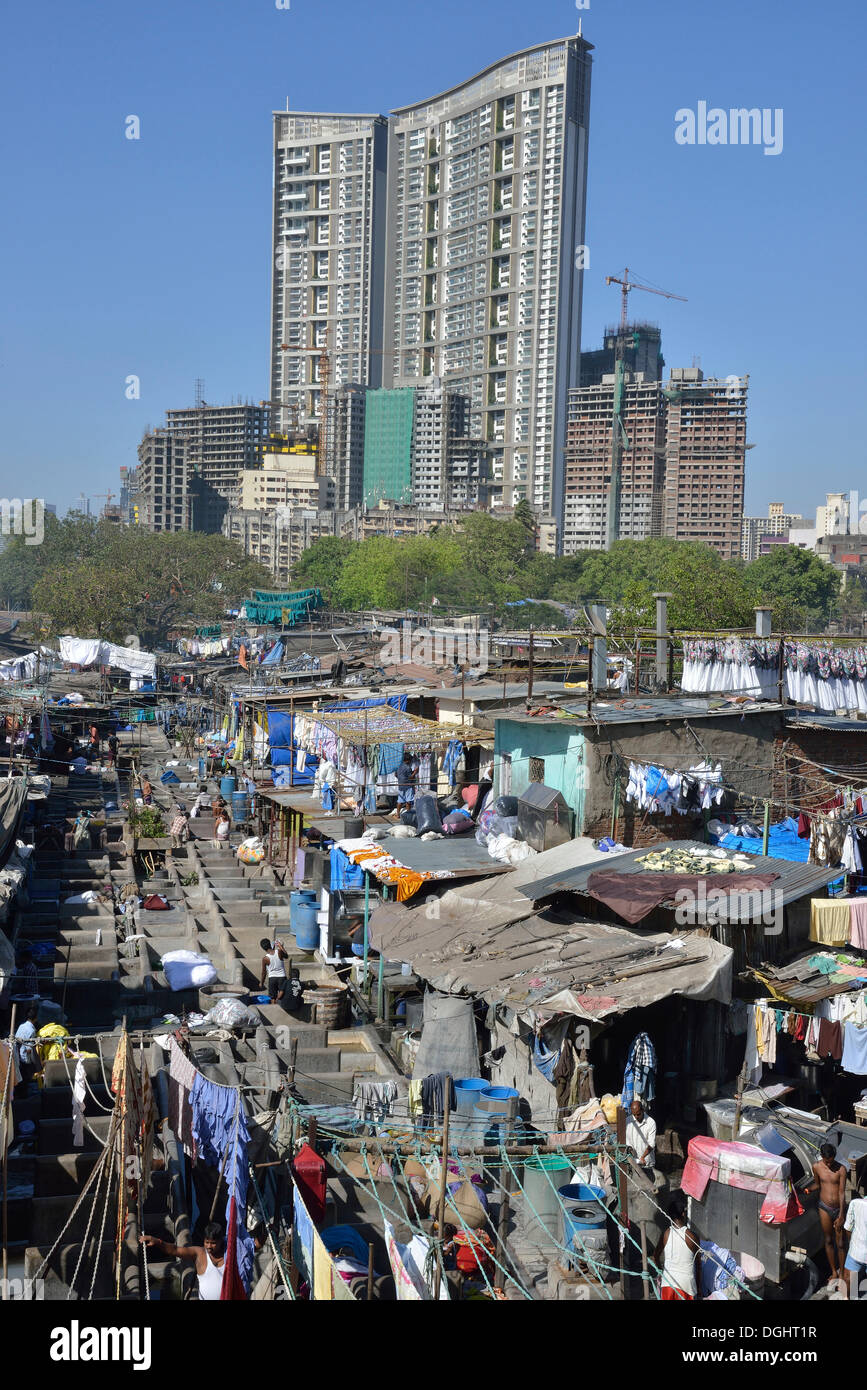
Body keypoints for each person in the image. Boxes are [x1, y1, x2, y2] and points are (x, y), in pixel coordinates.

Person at [141, 1223, 226, 1301]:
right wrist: (157, 1241)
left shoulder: (231, 1254)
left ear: (221, 1241)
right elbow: (175, 1250)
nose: (209, 1246)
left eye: (213, 1243)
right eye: (207, 1242)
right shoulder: (200, 1254)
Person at [807, 1142, 847, 1283]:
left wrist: (842, 1215)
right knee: (828, 1240)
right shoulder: (817, 1167)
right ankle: (833, 1272)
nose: (829, 1165)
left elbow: (842, 1192)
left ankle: (842, 1274)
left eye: (831, 1162)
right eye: (826, 1162)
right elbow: (818, 1184)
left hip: (838, 1209)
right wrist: (809, 1189)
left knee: (840, 1243)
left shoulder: (841, 1169)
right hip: (824, 1207)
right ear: (822, 1157)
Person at [655, 1191, 699, 1300]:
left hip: (668, 1283)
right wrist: (699, 1287)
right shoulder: (692, 1236)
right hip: (686, 1286)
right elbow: (698, 1264)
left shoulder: (665, 1234)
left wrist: (660, 1271)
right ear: (683, 1214)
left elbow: (655, 1256)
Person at [624, 1098, 657, 1175]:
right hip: (633, 1161)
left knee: (649, 1183)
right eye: (634, 1114)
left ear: (642, 1110)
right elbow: (627, 1141)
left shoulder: (651, 1122)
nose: (636, 1116)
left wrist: (643, 1157)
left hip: (647, 1162)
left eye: (638, 1114)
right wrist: (631, 1154)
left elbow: (651, 1144)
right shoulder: (627, 1121)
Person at [844, 1190, 867, 1296]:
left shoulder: (855, 1203)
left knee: (848, 1280)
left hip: (856, 1252)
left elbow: (848, 1228)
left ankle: (848, 1297)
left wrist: (852, 1243)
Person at [14, 1005, 40, 1091]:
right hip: (25, 1058)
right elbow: (29, 1049)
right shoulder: (32, 1031)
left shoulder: (21, 1026)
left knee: (20, 1077)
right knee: (25, 1078)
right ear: (35, 1018)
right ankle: (23, 1095)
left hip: (17, 1055)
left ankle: (20, 1093)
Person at [260, 937, 288, 1002]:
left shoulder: (265, 959)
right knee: (283, 995)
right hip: (282, 977)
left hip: (272, 979)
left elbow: (264, 973)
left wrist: (261, 983)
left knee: (273, 998)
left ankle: (274, 1008)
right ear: (270, 944)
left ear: (263, 948)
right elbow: (286, 956)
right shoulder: (279, 952)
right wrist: (281, 947)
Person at [389, 755, 417, 819]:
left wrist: (401, 779)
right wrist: (415, 772)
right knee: (408, 800)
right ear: (408, 760)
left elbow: (396, 774)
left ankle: (398, 814)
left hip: (401, 786)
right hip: (408, 786)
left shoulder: (399, 766)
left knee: (400, 800)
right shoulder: (408, 767)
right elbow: (410, 777)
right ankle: (408, 815)